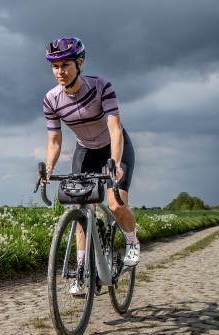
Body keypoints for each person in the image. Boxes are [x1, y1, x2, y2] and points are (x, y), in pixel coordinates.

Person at [40, 37, 140, 295]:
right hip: (85, 150)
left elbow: (115, 129)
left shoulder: (101, 87)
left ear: (79, 63)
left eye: (65, 65)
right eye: (55, 66)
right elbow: (54, 140)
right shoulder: (51, 100)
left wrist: (115, 164)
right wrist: (48, 170)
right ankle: (81, 271)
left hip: (114, 147)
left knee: (116, 204)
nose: (59, 72)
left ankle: (131, 241)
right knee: (80, 208)